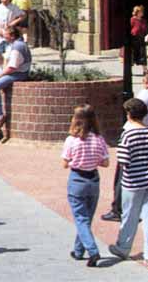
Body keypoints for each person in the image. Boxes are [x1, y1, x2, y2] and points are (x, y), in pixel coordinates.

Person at [101, 71, 148, 223]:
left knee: (122, 174)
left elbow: (133, 108)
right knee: (144, 175)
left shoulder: (145, 94)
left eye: (144, 79)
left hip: (134, 134)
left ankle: (118, 209)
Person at [109, 98, 148, 267]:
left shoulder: (127, 135)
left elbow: (123, 160)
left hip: (133, 182)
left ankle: (123, 247)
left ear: (129, 114)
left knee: (130, 216)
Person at [62, 105, 109, 267]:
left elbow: (64, 163)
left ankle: (92, 250)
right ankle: (78, 250)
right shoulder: (99, 139)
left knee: (81, 219)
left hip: (77, 179)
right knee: (86, 218)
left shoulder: (72, 140)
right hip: (93, 179)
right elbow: (106, 162)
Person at [0, 25, 32, 125]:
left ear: (12, 36)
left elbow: (12, 67)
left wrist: (0, 75)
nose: (4, 37)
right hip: (14, 72)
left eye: (5, 35)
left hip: (19, 74)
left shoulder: (18, 47)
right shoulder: (15, 44)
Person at [0, 0, 23, 66]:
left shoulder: (13, 7)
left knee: (8, 53)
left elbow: (22, 15)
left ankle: (6, 68)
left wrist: (13, 23)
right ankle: (0, 67)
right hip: (0, 33)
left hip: (10, 32)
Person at [131, 4, 148, 74]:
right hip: (134, 38)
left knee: (143, 54)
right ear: (137, 12)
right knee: (132, 54)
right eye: (141, 12)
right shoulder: (132, 19)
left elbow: (145, 29)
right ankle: (130, 70)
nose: (142, 13)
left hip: (141, 38)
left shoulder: (143, 20)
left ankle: (145, 70)